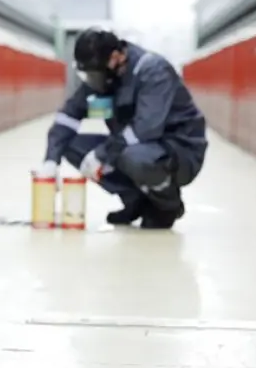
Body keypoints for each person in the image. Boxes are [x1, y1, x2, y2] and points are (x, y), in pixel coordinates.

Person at [37, 28, 208, 229]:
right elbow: (68, 117)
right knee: (72, 145)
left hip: (179, 150)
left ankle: (167, 206)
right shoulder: (103, 75)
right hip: (132, 147)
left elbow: (145, 130)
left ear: (116, 57)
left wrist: (101, 154)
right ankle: (136, 201)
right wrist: (51, 161)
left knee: (133, 157)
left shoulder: (153, 71)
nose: (91, 80)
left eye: (94, 73)